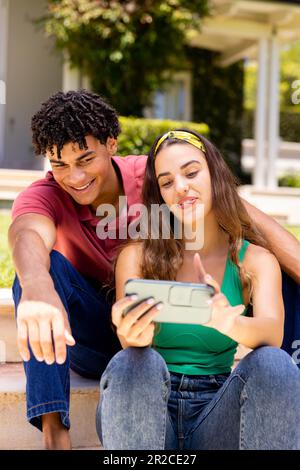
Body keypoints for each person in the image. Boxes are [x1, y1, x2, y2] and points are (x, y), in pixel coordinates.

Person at [8, 91, 300, 450]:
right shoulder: (60, 203)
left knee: (276, 349)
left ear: (111, 144)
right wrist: (38, 289)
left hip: (192, 366)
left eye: (85, 158)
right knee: (44, 275)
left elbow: (243, 216)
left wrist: (229, 321)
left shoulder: (153, 177)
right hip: (112, 338)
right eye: (60, 164)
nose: (75, 176)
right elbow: (26, 234)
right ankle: (55, 432)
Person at [96, 129, 300, 450]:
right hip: (150, 407)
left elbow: (272, 334)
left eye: (191, 173)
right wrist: (132, 331)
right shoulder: (136, 256)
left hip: (218, 410)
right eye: (166, 182)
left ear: (214, 175)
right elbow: (128, 342)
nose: (180, 187)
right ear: (159, 194)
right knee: (132, 362)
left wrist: (228, 322)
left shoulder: (256, 260)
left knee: (274, 365)